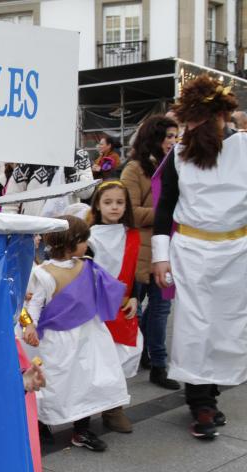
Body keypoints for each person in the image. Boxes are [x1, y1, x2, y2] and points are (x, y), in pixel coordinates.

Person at [152, 76, 247, 440]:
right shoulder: (178, 154)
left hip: (236, 250)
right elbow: (165, 207)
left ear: (220, 116)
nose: (192, 129)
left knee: (226, 324)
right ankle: (200, 401)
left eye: (200, 120)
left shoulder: (243, 148)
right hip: (190, 251)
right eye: (188, 121)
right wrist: (161, 257)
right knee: (194, 326)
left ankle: (212, 393)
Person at [22, 215, 129, 452]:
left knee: (87, 381)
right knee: (52, 383)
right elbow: (35, 304)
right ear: (70, 242)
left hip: (88, 335)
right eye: (83, 240)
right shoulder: (44, 273)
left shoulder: (87, 266)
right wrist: (30, 325)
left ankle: (82, 430)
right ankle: (40, 424)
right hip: (57, 340)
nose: (86, 245)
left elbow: (105, 288)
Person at [121, 115, 180, 389]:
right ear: (153, 138)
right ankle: (134, 355)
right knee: (136, 308)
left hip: (167, 252)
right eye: (168, 136)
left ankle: (158, 364)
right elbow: (127, 211)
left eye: (175, 136)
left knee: (160, 310)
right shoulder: (134, 169)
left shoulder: (178, 166)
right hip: (139, 253)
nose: (173, 141)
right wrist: (166, 214)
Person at [87, 181, 142, 434]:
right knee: (95, 360)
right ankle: (87, 410)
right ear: (97, 204)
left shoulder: (132, 234)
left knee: (120, 358)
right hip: (94, 308)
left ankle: (114, 409)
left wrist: (135, 297)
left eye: (119, 202)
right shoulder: (88, 236)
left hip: (122, 307)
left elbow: (136, 270)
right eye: (108, 202)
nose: (114, 207)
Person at [3, 149, 94, 217]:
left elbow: (87, 193)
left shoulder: (79, 155)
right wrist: (12, 230)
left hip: (67, 231)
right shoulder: (30, 155)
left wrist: (69, 169)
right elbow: (11, 200)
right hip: (33, 230)